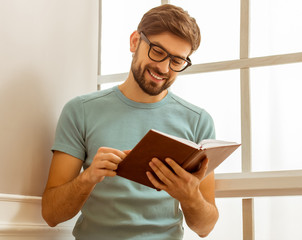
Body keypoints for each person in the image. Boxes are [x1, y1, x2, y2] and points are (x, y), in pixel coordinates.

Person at [42, 4, 219, 240]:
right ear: (135, 41)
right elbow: (51, 215)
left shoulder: (198, 121)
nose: (164, 68)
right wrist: (88, 177)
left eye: (177, 61)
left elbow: (204, 228)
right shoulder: (80, 111)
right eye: (157, 51)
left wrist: (189, 195)